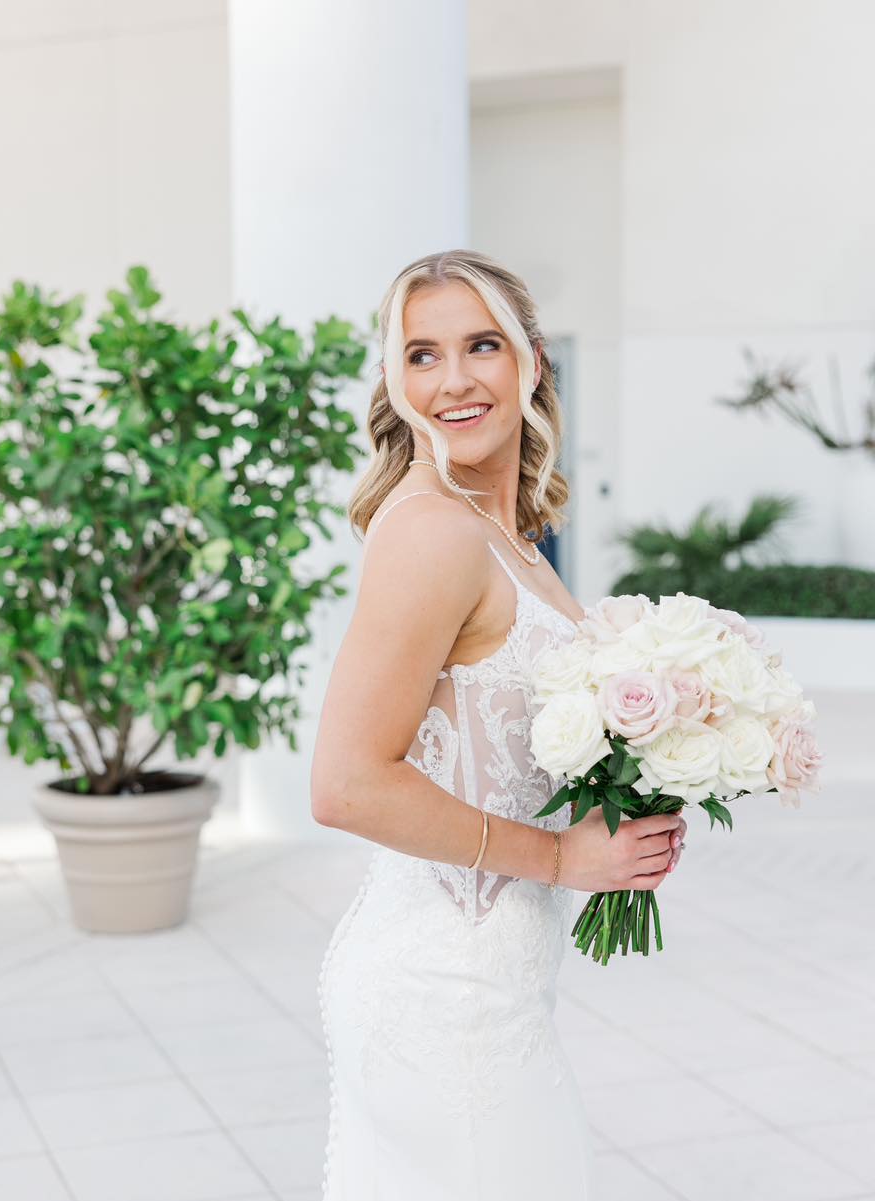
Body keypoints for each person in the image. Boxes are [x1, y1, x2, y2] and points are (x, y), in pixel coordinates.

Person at [310, 249, 686, 1199]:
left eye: (481, 344)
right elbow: (347, 782)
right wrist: (561, 859)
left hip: (499, 983)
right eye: (422, 354)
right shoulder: (432, 529)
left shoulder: (510, 537)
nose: (455, 379)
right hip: (443, 994)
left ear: (532, 361)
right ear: (395, 382)